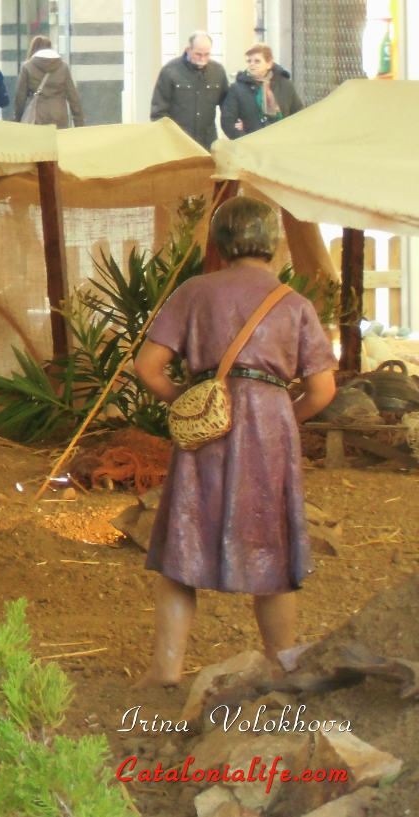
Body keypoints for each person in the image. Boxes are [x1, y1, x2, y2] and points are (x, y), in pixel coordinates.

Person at [132, 197, 337, 688]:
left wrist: (188, 402)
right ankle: (280, 665)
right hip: (270, 429)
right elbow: (323, 390)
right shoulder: (295, 303)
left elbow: (147, 367)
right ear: (273, 242)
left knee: (182, 548)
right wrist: (282, 418)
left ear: (219, 243)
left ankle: (165, 670)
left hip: (209, 423)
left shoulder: (195, 291)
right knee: (274, 553)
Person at [151, 31, 228, 148]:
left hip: (207, 141)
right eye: (198, 54)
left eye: (207, 54)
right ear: (188, 50)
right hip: (177, 140)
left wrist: (235, 123)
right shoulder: (171, 71)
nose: (203, 58)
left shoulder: (217, 72)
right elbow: (159, 110)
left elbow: (227, 105)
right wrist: (166, 137)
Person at [221, 43, 304, 139]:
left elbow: (298, 113)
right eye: (249, 61)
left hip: (281, 141)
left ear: (269, 64)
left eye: (257, 61)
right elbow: (228, 121)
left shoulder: (285, 85)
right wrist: (244, 140)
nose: (252, 64)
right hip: (251, 143)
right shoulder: (237, 88)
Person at [15, 35, 84, 128]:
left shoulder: (27, 66)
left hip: (37, 114)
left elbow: (20, 98)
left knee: (39, 137)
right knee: (58, 137)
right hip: (59, 114)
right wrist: (79, 122)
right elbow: (73, 96)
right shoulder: (63, 67)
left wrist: (17, 119)